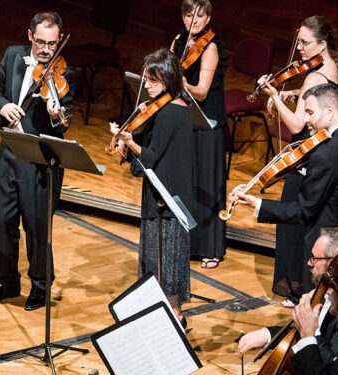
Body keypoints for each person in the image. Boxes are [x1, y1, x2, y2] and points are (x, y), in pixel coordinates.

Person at [229, 83, 338, 295]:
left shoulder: (325, 157)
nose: (306, 120)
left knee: (314, 303)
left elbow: (302, 211)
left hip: (323, 241)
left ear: (330, 112)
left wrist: (257, 203)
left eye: (310, 112)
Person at [0, 11, 75, 311]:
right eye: (41, 42)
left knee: (36, 225)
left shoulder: (64, 74)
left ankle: (41, 286)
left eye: (53, 44)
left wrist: (56, 112)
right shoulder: (12, 55)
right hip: (8, 151)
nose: (47, 50)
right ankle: (7, 282)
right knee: (2, 222)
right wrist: (3, 105)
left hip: (40, 160)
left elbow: (63, 125)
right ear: (30, 36)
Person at [260, 16, 338, 307]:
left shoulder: (313, 76)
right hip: (322, 148)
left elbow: (296, 125)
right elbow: (319, 98)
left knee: (292, 216)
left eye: (305, 44)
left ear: (321, 44)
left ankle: (295, 288)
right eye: (298, 43)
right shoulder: (332, 67)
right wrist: (294, 93)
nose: (299, 50)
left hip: (305, 150)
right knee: (308, 217)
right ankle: (307, 289)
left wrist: (274, 95)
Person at [109, 49, 194, 325]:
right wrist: (127, 145)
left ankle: (175, 321)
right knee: (159, 263)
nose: (147, 86)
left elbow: (152, 155)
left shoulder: (170, 112)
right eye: (147, 80)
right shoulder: (164, 108)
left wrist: (130, 142)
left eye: (153, 81)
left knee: (166, 265)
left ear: (168, 80)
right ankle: (163, 319)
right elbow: (147, 149)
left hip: (166, 200)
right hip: (163, 196)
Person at [169, 0, 227, 269]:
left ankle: (210, 248)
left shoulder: (210, 47)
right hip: (185, 118)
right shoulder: (178, 42)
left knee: (206, 182)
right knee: (187, 181)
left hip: (208, 122)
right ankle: (187, 242)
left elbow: (202, 90)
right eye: (189, 15)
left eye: (199, 16)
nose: (194, 20)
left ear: (208, 18)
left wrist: (179, 82)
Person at [237, 228, 338, 361]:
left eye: (315, 258)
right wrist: (268, 334)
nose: (309, 263)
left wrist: (311, 333)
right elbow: (300, 333)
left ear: (332, 263)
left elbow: (331, 363)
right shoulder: (323, 291)